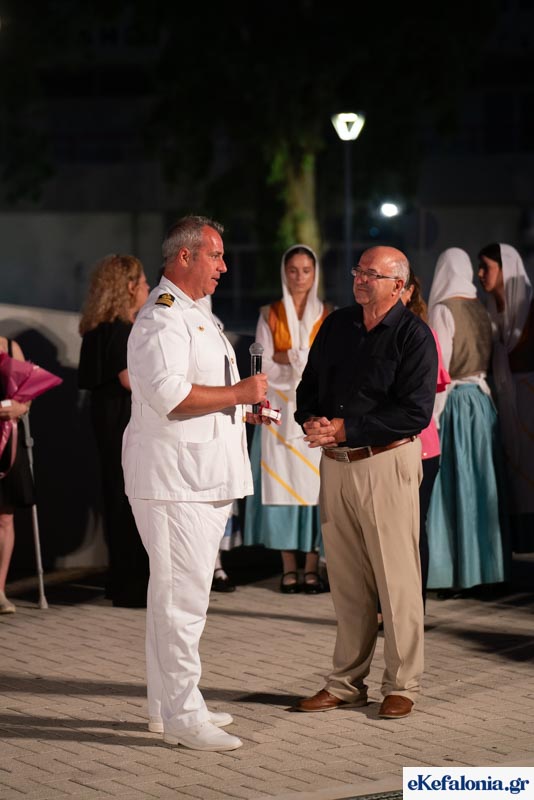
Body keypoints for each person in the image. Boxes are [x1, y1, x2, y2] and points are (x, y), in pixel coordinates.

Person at [121, 214, 269, 752]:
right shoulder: (162, 317)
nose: (224, 266)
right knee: (182, 605)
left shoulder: (191, 313)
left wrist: (242, 409)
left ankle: (168, 708)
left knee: (172, 599)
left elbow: (199, 392)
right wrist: (239, 394)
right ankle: (184, 717)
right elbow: (171, 396)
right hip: (175, 481)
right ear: (184, 256)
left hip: (195, 478)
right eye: (216, 255)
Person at [293, 245, 438, 720]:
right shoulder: (337, 325)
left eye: (372, 274)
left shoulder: (414, 336)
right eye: (359, 271)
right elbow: (308, 386)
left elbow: (415, 413)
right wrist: (313, 420)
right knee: (347, 580)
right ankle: (345, 684)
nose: (360, 279)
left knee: (397, 580)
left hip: (386, 463)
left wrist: (346, 429)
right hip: (336, 463)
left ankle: (403, 684)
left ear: (399, 286)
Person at [244, 244, 332, 593]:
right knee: (280, 484)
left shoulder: (327, 313)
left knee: (316, 486)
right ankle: (288, 567)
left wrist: (290, 356)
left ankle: (311, 565)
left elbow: (327, 362)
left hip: (314, 406)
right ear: (285, 273)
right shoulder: (271, 313)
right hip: (279, 407)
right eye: (293, 270)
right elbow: (263, 361)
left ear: (315, 273)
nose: (299, 277)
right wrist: (300, 358)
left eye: (306, 270)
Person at [426, 247, 509, 593]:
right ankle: (484, 569)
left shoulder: (443, 310)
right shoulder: (480, 309)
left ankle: (452, 572)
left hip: (455, 405)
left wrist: (432, 416)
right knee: (480, 484)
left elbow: (440, 370)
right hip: (481, 404)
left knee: (451, 486)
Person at [78, 254, 150, 608]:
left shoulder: (95, 328)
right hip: (122, 421)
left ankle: (120, 581)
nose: (149, 288)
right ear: (129, 287)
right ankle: (132, 586)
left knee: (116, 498)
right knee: (130, 500)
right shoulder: (122, 330)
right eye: (144, 282)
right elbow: (128, 380)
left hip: (104, 419)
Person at [477, 242, 534, 553]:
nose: (480, 273)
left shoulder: (530, 310)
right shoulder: (490, 312)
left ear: (506, 269)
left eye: (487, 267)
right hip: (504, 405)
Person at [401, 270, 450, 609]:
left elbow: (431, 392)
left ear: (408, 291)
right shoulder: (368, 331)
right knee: (386, 532)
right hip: (383, 447)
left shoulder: (423, 334)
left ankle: (414, 609)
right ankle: (387, 607)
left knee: (415, 529)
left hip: (421, 447)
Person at [0, 337, 33, 614]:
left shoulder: (11, 347)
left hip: (7, 438)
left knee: (5, 517)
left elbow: (26, 395)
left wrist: (20, 408)